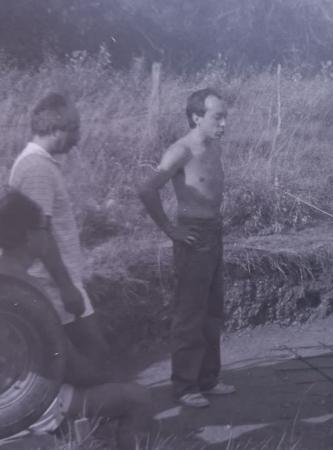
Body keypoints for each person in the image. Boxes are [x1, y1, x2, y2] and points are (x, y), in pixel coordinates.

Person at [0, 190, 151, 450]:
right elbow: (72, 368)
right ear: (28, 236)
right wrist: (107, 378)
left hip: (9, 401)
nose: (49, 234)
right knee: (137, 399)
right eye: (44, 227)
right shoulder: (29, 289)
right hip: (31, 408)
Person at [138, 87, 234, 408]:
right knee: (190, 313)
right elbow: (147, 188)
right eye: (217, 117)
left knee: (212, 311)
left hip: (214, 233)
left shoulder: (214, 147)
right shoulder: (181, 150)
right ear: (196, 117)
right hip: (192, 238)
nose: (224, 124)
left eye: (225, 117)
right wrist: (169, 229)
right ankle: (184, 386)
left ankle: (208, 378)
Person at [8, 92, 109, 362]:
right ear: (55, 130)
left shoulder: (40, 165)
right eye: (74, 128)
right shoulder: (37, 169)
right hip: (49, 283)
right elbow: (39, 234)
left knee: (81, 358)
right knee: (94, 355)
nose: (78, 137)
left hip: (51, 279)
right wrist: (66, 287)